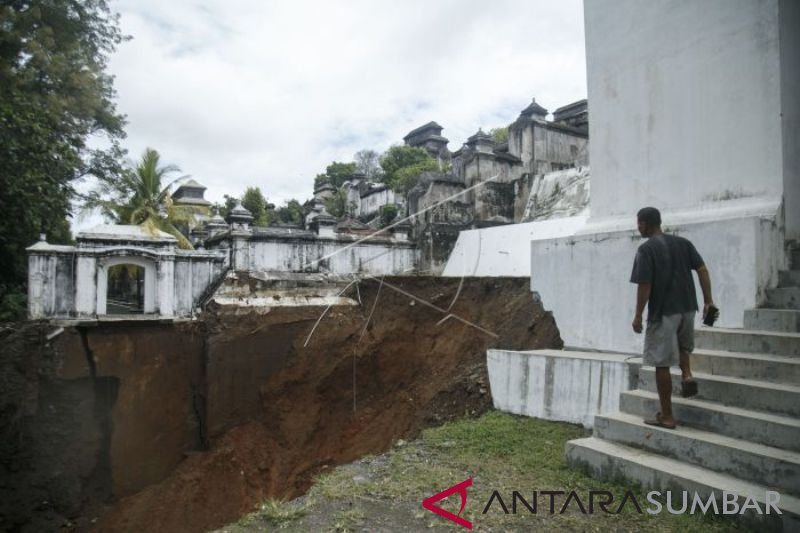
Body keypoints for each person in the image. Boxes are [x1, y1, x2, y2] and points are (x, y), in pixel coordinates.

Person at [630, 207, 715, 429]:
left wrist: (638, 315)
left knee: (662, 363)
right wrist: (708, 301)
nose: (638, 227)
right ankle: (687, 375)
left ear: (647, 223)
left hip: (663, 312)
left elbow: (645, 286)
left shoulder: (646, 250)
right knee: (683, 346)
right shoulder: (683, 243)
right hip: (688, 308)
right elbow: (702, 270)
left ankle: (667, 416)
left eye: (639, 223)